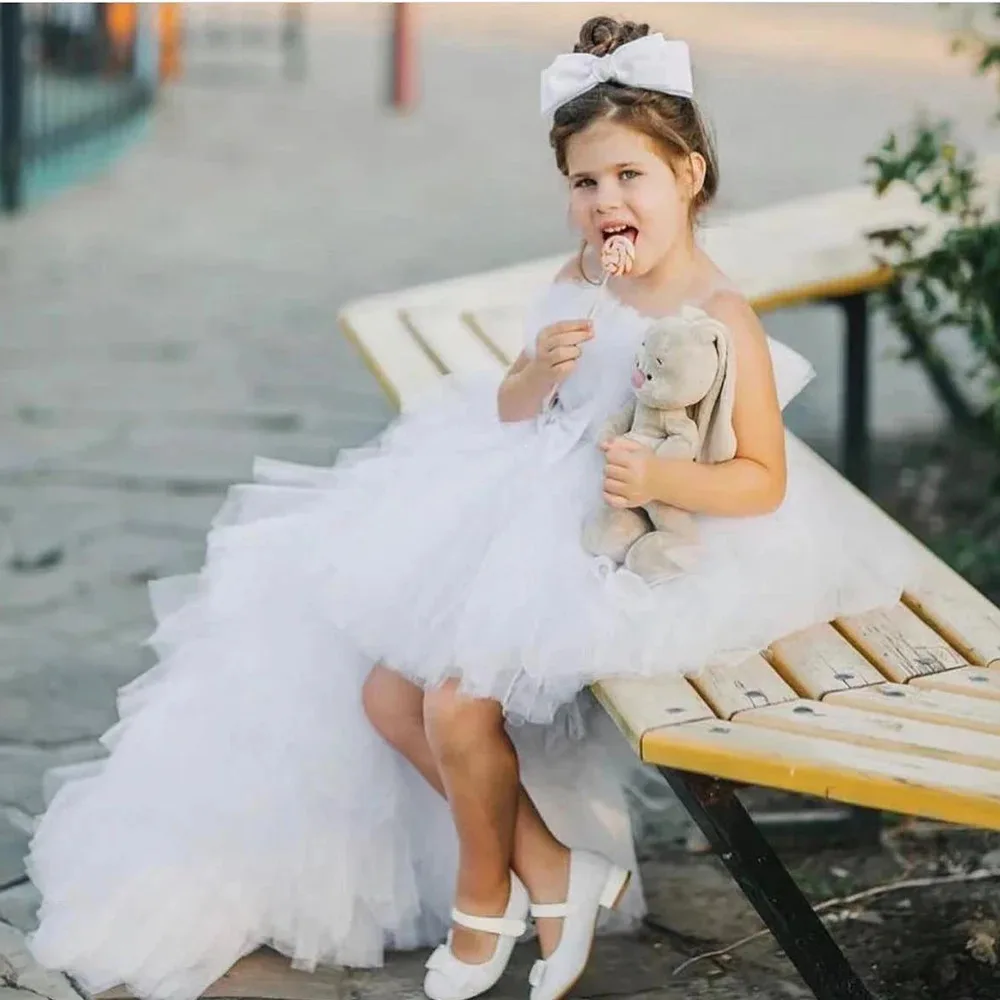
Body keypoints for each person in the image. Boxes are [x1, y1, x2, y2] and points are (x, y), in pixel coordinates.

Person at [25, 15, 915, 1000]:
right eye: (584, 182)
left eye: (631, 177)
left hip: (632, 545)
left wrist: (659, 481)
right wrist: (537, 367)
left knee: (452, 698)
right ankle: (550, 865)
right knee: (381, 695)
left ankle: (483, 896)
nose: (605, 201)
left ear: (688, 177)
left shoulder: (718, 313)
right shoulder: (574, 278)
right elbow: (510, 408)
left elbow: (762, 476)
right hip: (522, 510)